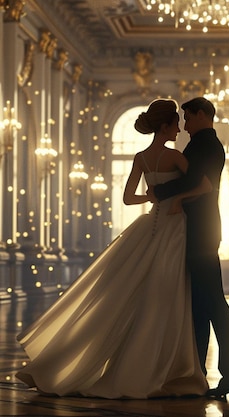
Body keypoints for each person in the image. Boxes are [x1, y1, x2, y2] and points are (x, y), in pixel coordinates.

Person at [15, 99, 211, 399]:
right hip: (174, 229)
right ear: (164, 126)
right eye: (175, 124)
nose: (179, 128)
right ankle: (164, 368)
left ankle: (82, 363)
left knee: (137, 294)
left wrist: (152, 198)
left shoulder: (141, 158)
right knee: (169, 297)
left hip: (151, 225)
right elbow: (204, 186)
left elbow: (128, 198)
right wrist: (180, 199)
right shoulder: (174, 157)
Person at [151, 97, 229, 404]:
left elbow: (196, 181)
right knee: (202, 307)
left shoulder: (204, 143)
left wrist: (162, 192)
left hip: (201, 232)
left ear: (203, 115)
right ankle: (204, 376)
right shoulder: (204, 143)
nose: (185, 125)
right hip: (201, 230)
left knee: (213, 304)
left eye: (188, 118)